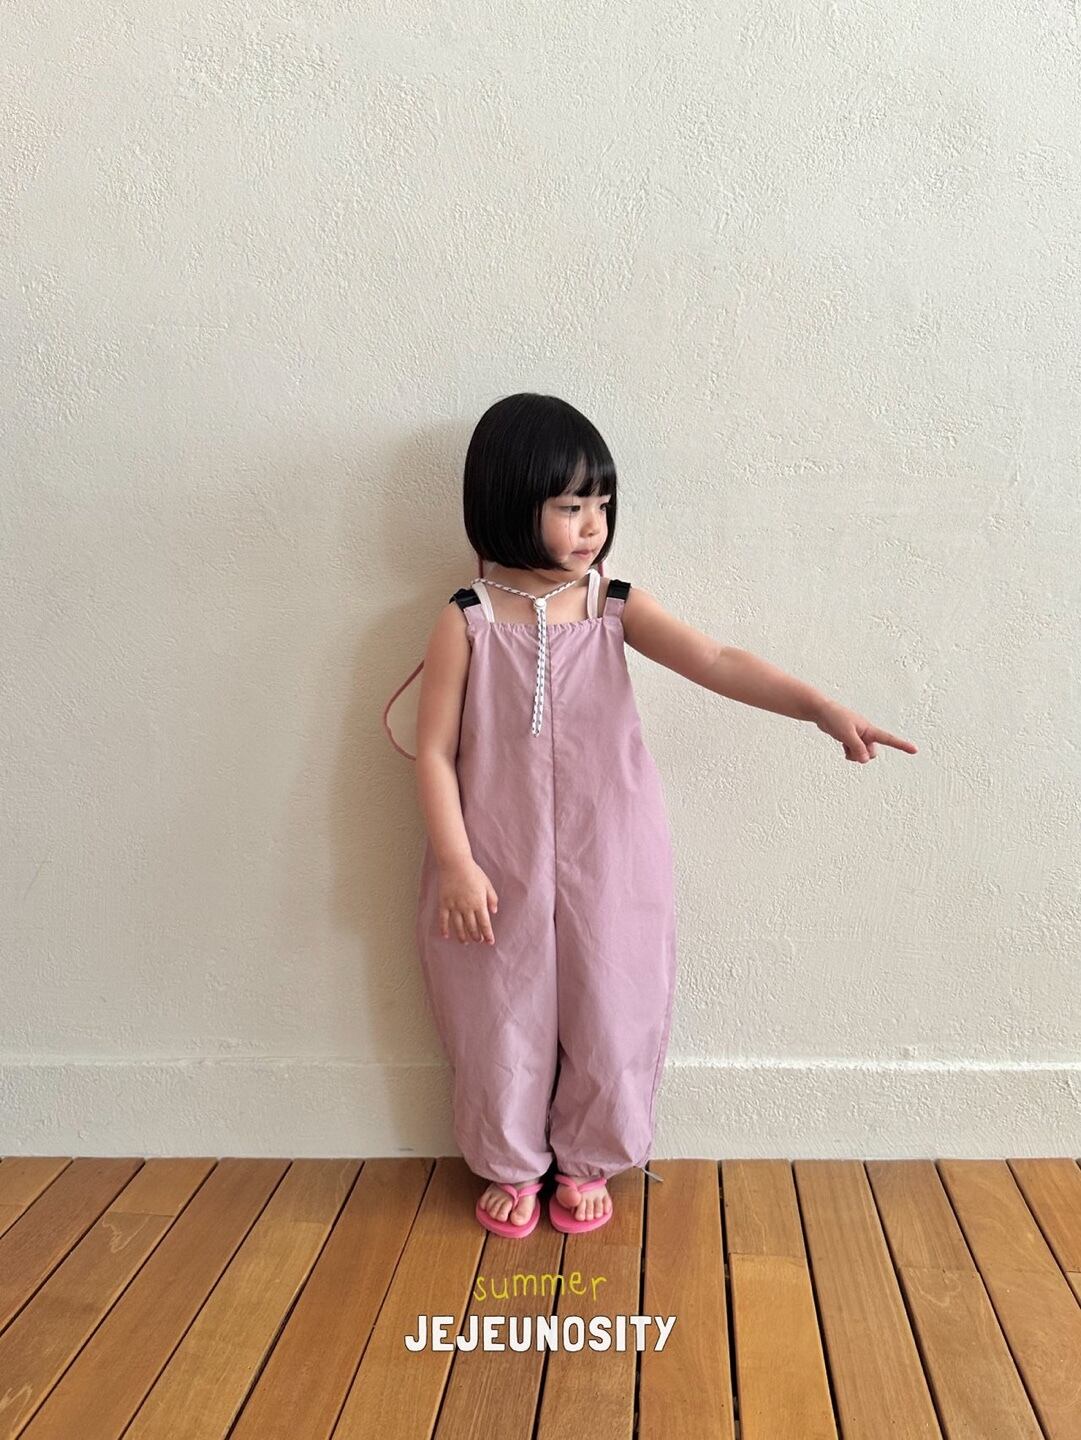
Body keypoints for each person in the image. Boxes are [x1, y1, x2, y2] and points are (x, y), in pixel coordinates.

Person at [408, 392, 918, 1238]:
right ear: (505, 501)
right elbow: (432, 751)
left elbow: (715, 659)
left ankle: (589, 1157)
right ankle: (509, 1162)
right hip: (492, 853)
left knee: (615, 995)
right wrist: (457, 862)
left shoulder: (610, 604)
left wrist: (819, 709)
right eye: (568, 506)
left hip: (610, 845)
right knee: (497, 1005)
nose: (591, 525)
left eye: (600, 504)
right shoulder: (466, 619)